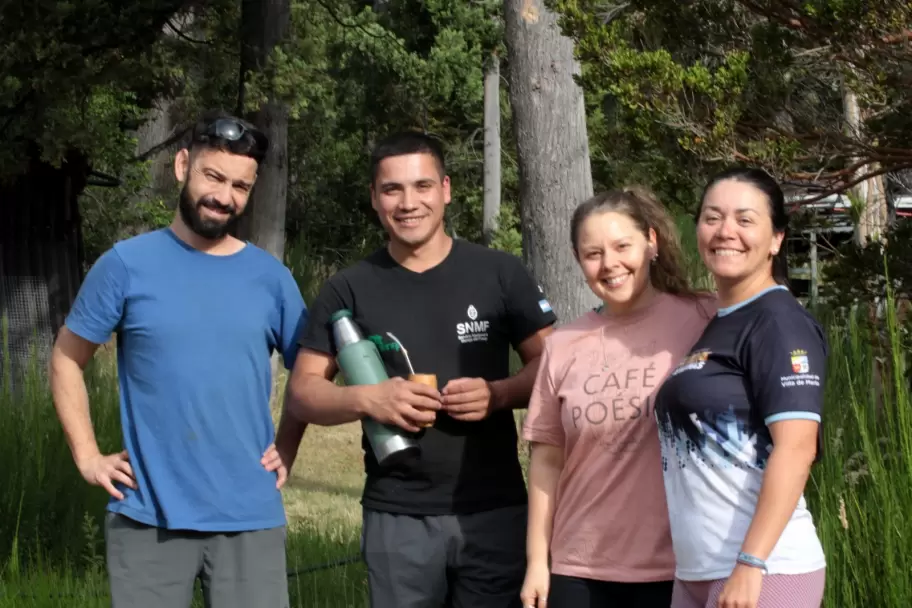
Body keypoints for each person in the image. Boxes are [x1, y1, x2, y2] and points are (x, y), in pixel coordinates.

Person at [48, 110, 308, 608]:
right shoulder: (125, 265)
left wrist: (288, 445)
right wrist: (88, 457)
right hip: (148, 519)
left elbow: (312, 374)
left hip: (249, 518)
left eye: (240, 186)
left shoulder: (271, 278)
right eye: (214, 176)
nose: (224, 196)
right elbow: (65, 359)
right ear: (183, 165)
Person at [286, 130, 557, 608]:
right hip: (398, 516)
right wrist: (369, 398)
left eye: (422, 186)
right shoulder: (348, 288)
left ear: (445, 189)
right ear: (374, 198)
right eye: (392, 189)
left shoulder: (499, 272)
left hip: (494, 509)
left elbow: (557, 366)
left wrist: (499, 394)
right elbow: (303, 392)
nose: (408, 203)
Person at [519, 187, 716, 608]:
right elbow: (546, 462)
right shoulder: (563, 345)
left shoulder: (703, 318)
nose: (609, 264)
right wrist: (537, 562)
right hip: (579, 568)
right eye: (593, 254)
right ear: (578, 261)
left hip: (680, 566)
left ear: (651, 243)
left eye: (622, 246)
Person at [655, 168, 827, 608]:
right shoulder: (720, 322)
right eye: (712, 217)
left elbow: (797, 448)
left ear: (776, 239)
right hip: (697, 570)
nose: (725, 231)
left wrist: (751, 563)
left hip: (765, 570)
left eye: (745, 219)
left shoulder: (778, 322)